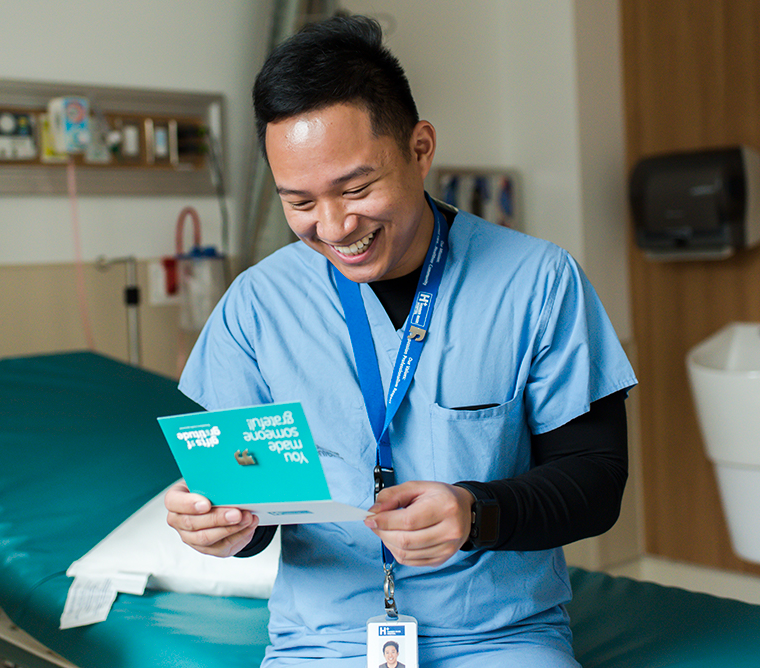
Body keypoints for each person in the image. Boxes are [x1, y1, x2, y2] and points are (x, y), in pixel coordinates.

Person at [165, 14, 636, 667]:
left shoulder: (537, 280)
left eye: (355, 188)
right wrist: (222, 526)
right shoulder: (258, 304)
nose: (332, 227)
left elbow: (596, 479)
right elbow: (254, 507)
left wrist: (476, 511)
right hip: (321, 640)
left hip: (496, 636)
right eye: (299, 202)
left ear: (419, 147)